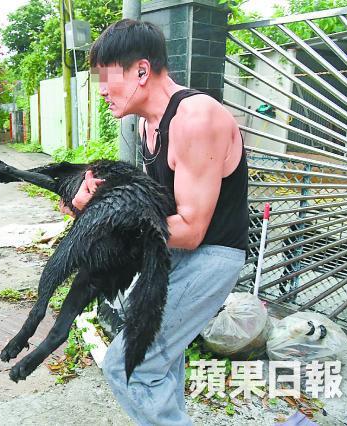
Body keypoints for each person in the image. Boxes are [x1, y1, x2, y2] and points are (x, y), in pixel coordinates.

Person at [60, 19, 249, 425]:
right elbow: (155, 208)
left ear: (142, 71)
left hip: (210, 255)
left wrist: (105, 220)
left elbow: (191, 229)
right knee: (160, 365)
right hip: (172, 253)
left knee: (129, 367)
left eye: (107, 77)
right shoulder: (150, 125)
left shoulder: (195, 118)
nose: (102, 90)